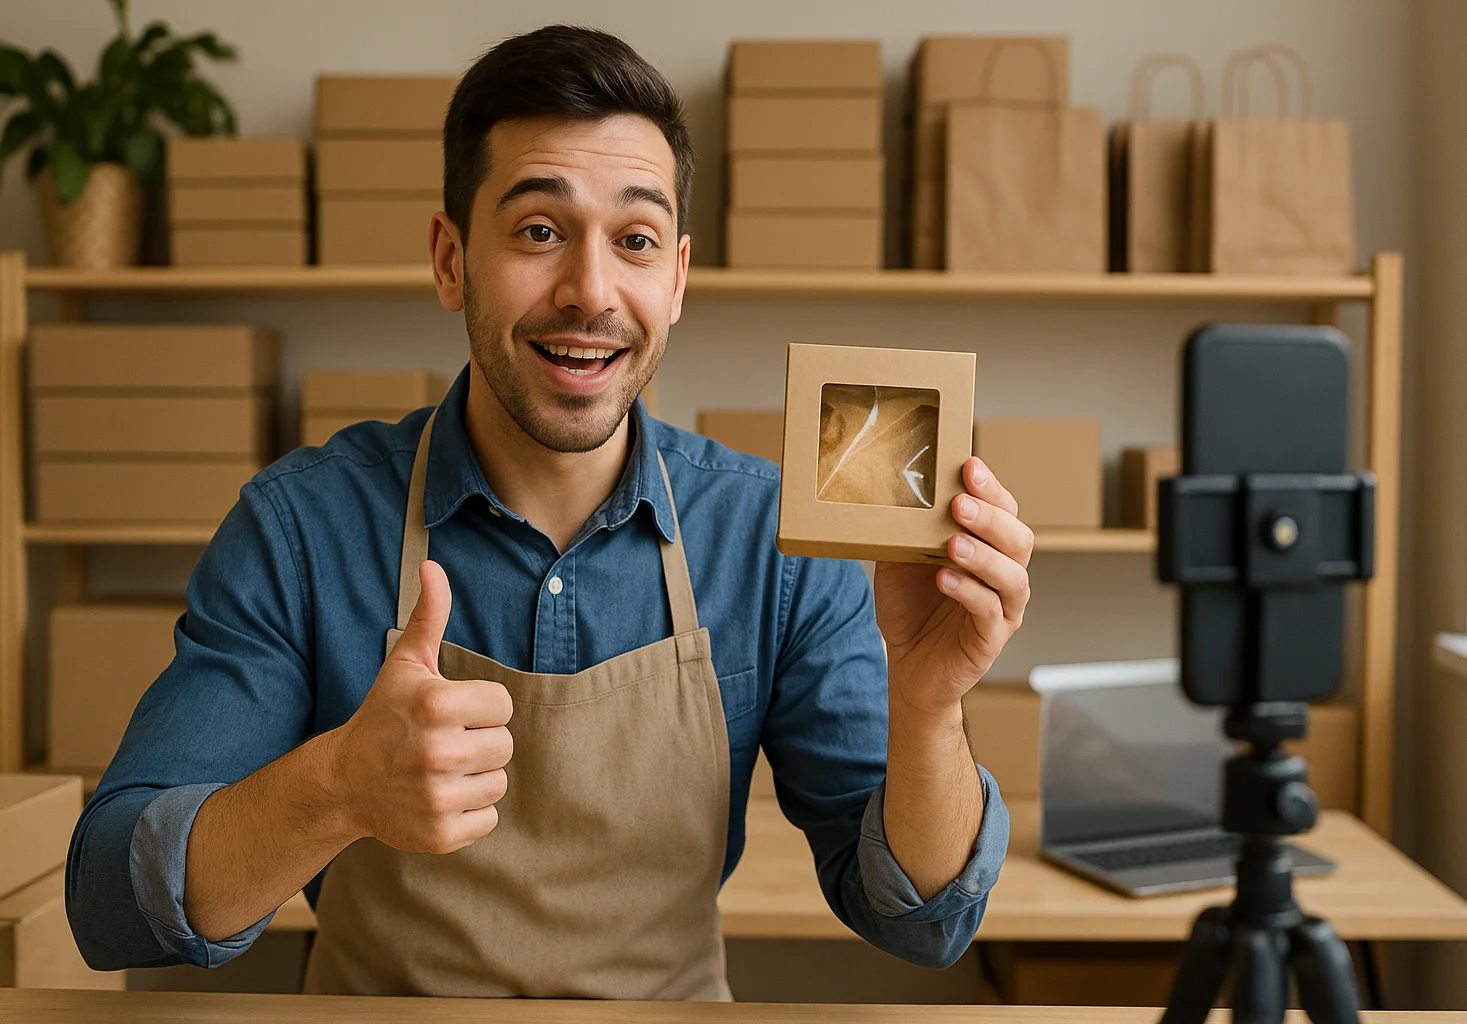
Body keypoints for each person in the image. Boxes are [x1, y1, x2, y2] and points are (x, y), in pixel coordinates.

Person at [65, 25, 1034, 999]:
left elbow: (920, 919)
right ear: (450, 260)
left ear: (678, 279)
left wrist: (927, 706)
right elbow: (111, 895)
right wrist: (337, 787)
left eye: (637, 241)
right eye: (538, 231)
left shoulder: (771, 542)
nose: (590, 291)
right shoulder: (303, 527)